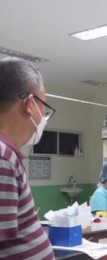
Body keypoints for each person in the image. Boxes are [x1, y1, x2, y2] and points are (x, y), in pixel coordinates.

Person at [0, 58, 55, 259]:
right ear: (29, 104)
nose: (43, 118)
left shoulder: (8, 155)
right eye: (44, 107)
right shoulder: (3, 158)